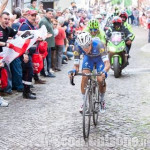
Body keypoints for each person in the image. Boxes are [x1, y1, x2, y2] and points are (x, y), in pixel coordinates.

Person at [68, 32, 110, 113]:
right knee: (84, 76)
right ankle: (84, 103)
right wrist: (73, 71)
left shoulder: (99, 45)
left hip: (99, 59)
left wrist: (104, 71)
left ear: (91, 43)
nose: (85, 49)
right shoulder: (77, 46)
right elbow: (76, 66)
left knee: (100, 79)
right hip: (88, 59)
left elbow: (107, 64)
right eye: (83, 47)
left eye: (87, 46)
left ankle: (102, 100)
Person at [19, 10, 46, 99]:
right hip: (26, 53)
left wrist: (38, 39)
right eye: (32, 15)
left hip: (30, 52)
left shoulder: (31, 25)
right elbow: (22, 41)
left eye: (35, 15)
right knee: (27, 72)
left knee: (29, 72)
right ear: (27, 15)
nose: (34, 17)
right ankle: (26, 93)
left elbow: (31, 38)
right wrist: (25, 54)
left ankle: (27, 90)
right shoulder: (25, 26)